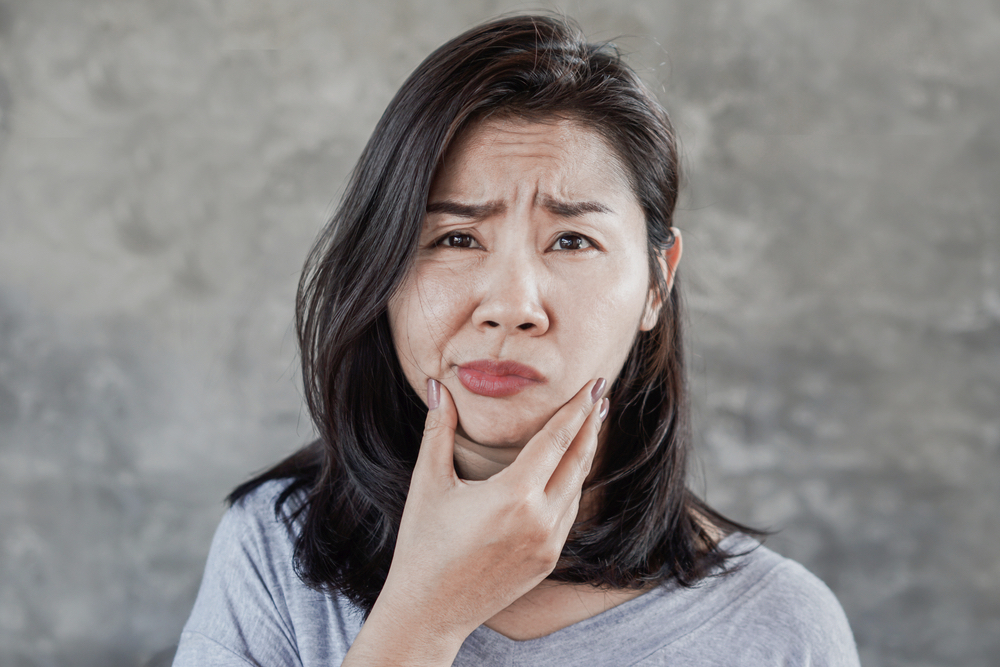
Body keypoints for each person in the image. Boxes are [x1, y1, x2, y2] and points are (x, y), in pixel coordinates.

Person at [173, 14, 860, 666]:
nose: (510, 307)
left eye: (571, 240)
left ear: (658, 281)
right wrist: (425, 615)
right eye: (456, 238)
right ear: (381, 269)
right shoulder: (276, 548)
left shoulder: (782, 628)